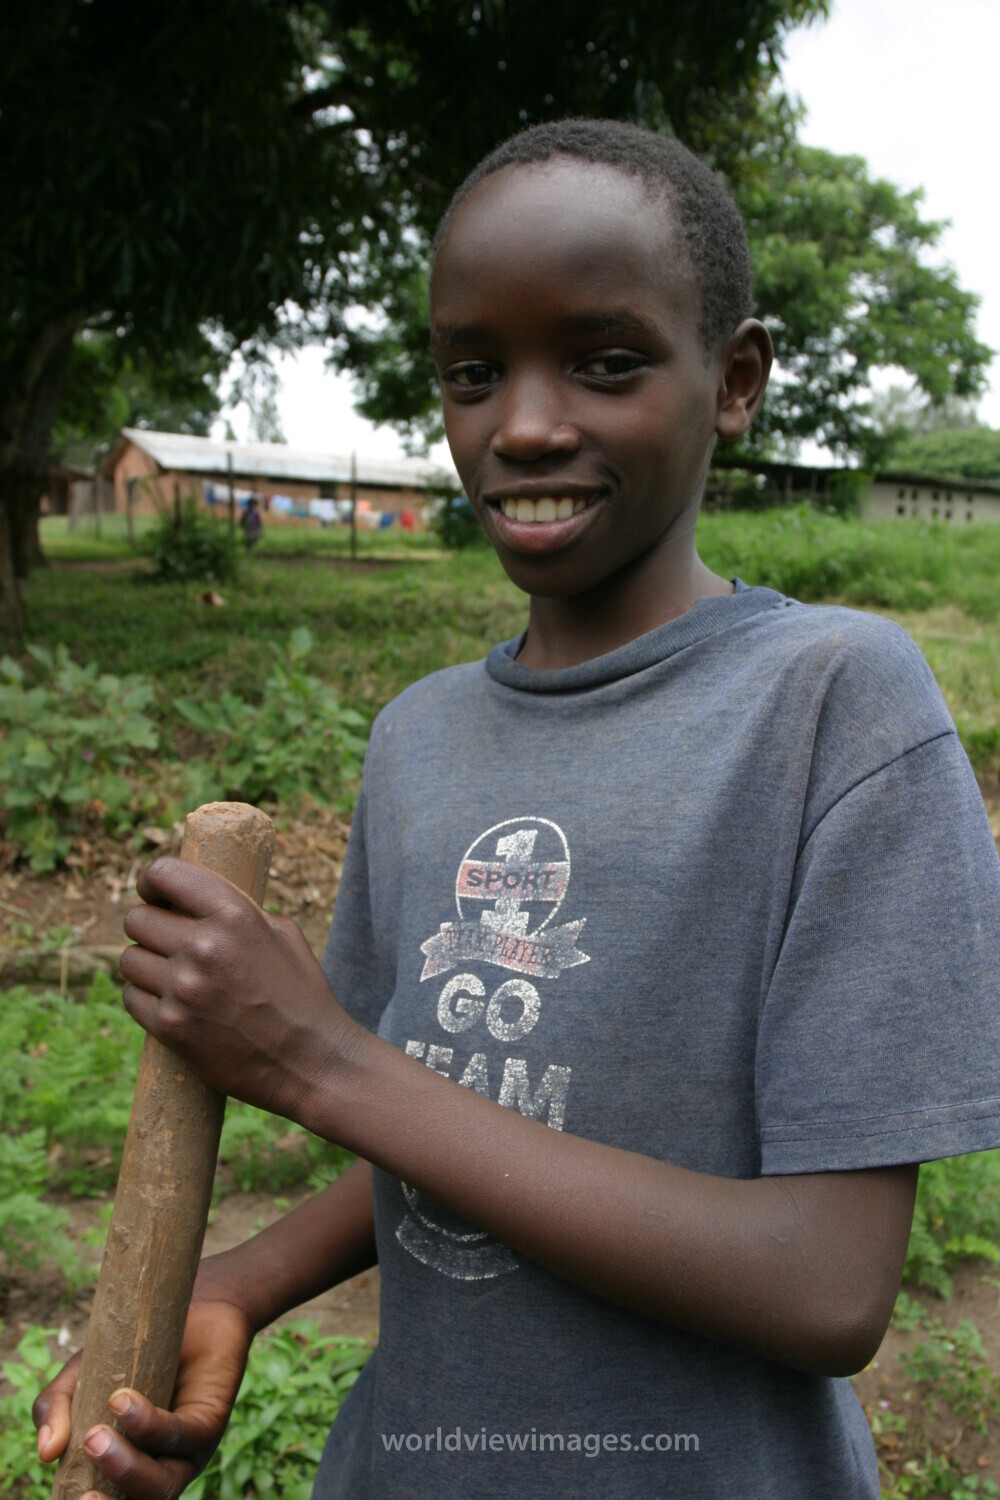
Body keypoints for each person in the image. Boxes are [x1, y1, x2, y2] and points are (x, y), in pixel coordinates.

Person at [34, 119, 1000, 1499]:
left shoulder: (829, 707)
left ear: (734, 382)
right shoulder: (419, 738)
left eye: (606, 362)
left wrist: (317, 1062)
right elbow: (461, 1123)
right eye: (474, 372)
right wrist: (243, 1283)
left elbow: (829, 1286)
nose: (527, 423)